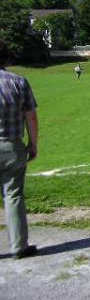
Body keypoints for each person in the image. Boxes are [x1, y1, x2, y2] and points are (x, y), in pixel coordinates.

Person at [0, 40, 39, 259]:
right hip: (11, 145)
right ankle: (18, 246)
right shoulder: (18, 82)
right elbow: (31, 117)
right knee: (13, 196)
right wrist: (33, 144)